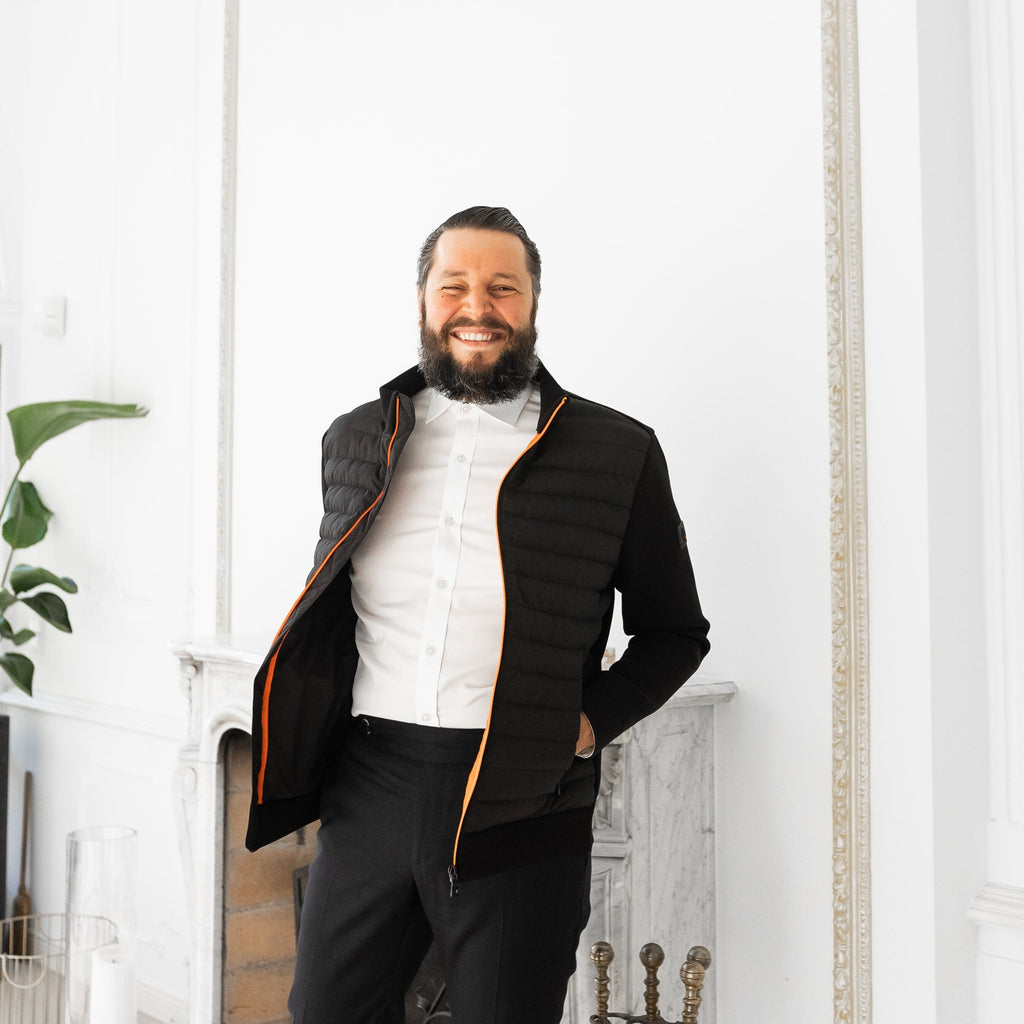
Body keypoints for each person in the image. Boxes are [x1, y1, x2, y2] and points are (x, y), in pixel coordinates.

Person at [245, 206, 710, 1024]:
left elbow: (675, 634)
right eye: (454, 285)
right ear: (423, 301)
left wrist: (583, 728)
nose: (477, 307)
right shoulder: (355, 438)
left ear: (532, 305)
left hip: (521, 798)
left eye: (503, 287)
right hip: (371, 783)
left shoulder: (617, 451)